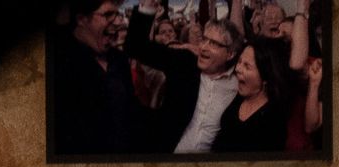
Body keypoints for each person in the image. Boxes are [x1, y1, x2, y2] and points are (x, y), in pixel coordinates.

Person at [127, 0, 243, 154]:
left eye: (214, 43)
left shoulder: (239, 82)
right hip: (163, 158)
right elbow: (136, 46)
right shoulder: (184, 63)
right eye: (204, 40)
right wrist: (147, 7)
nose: (204, 48)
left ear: (230, 54)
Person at [51, 0, 143, 156]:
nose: (117, 21)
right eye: (108, 14)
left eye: (117, 14)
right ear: (81, 20)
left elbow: (131, 113)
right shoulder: (59, 63)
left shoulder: (119, 60)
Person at [212, 39, 291, 154]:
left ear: (265, 77)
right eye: (239, 62)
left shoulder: (273, 120)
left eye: (247, 66)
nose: (238, 69)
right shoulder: (239, 96)